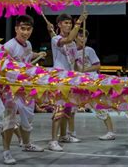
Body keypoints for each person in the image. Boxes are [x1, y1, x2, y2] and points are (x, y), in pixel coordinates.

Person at [2, 15, 47, 164]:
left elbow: (27, 56)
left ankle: (27, 145)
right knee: (9, 120)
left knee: (28, 120)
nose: (25, 32)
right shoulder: (8, 46)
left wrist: (38, 54)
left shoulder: (28, 44)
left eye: (28, 29)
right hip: (12, 89)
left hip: (27, 88)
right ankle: (7, 152)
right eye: (22, 28)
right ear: (16, 28)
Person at [47, 12, 87, 152]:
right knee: (59, 109)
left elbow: (75, 62)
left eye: (70, 23)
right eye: (66, 23)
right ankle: (53, 141)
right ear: (59, 25)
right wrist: (79, 22)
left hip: (71, 78)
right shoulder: (56, 39)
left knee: (68, 109)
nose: (68, 25)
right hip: (59, 77)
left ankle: (64, 136)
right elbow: (69, 38)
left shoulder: (73, 45)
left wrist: (80, 76)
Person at [75, 29, 115, 140]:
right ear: (75, 37)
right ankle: (70, 132)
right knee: (72, 107)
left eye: (85, 37)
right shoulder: (72, 51)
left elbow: (97, 66)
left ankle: (110, 131)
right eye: (80, 36)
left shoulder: (89, 50)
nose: (83, 39)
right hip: (79, 82)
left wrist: (85, 69)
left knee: (99, 106)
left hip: (91, 81)